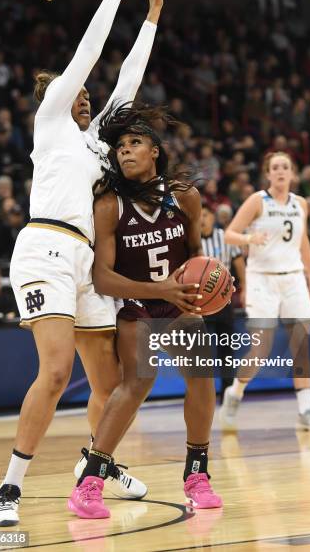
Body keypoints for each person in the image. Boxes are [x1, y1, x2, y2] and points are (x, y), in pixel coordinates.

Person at [0, 0, 161, 527]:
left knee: (111, 382)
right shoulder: (51, 122)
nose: (86, 96)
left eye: (88, 97)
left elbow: (128, 85)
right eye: (77, 91)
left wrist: (153, 18)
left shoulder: (92, 146)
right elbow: (88, 56)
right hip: (43, 251)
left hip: (84, 260)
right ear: (58, 96)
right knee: (57, 371)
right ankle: (9, 489)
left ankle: (101, 464)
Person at [68, 103, 222, 519]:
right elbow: (103, 277)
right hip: (137, 304)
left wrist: (210, 286)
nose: (125, 151)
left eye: (135, 143)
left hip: (178, 304)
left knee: (203, 379)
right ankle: (90, 482)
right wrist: (162, 290)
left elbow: (195, 254)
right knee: (135, 385)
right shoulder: (110, 205)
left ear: (155, 150)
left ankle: (197, 473)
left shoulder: (184, 197)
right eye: (120, 146)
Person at [220, 151, 310, 432]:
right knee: (261, 348)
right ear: (268, 174)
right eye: (275, 167)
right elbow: (229, 233)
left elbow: (303, 241)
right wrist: (249, 237)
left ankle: (305, 412)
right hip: (261, 280)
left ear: (292, 174)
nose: (280, 171)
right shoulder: (258, 200)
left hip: (292, 278)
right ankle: (235, 392)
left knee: (301, 345)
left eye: (285, 167)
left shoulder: (300, 203)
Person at [200, 203, 245, 396]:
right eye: (199, 215)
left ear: (213, 217)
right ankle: (201, 391)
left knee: (226, 347)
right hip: (198, 302)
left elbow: (239, 265)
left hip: (224, 300)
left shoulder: (225, 237)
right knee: (199, 349)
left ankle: (227, 391)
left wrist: (245, 287)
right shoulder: (190, 240)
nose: (202, 219)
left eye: (206, 215)